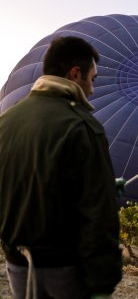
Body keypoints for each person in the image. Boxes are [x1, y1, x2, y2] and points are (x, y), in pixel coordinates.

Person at [0, 37, 122, 299]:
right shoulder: (83, 126)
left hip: (17, 265)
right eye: (93, 79)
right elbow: (98, 214)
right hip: (66, 271)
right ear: (75, 74)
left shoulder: (7, 121)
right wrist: (103, 284)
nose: (91, 89)